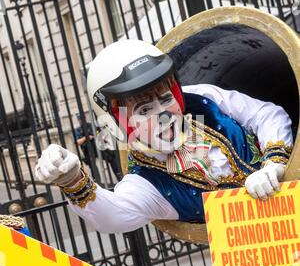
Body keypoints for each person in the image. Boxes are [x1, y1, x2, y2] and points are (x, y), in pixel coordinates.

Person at [35, 40, 293, 232]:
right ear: (119, 123)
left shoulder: (203, 98)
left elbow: (266, 114)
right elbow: (113, 216)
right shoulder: (146, 182)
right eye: (144, 109)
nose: (163, 115)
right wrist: (72, 180)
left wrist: (274, 165)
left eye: (166, 99)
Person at [75, 113, 122, 182]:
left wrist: (96, 136)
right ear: (78, 120)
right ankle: (97, 182)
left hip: (98, 146)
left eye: (82, 118)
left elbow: (100, 134)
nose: (81, 120)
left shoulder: (91, 125)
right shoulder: (78, 130)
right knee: (93, 166)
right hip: (88, 150)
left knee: (112, 157)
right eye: (80, 119)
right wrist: (86, 138)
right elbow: (77, 142)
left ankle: (119, 176)